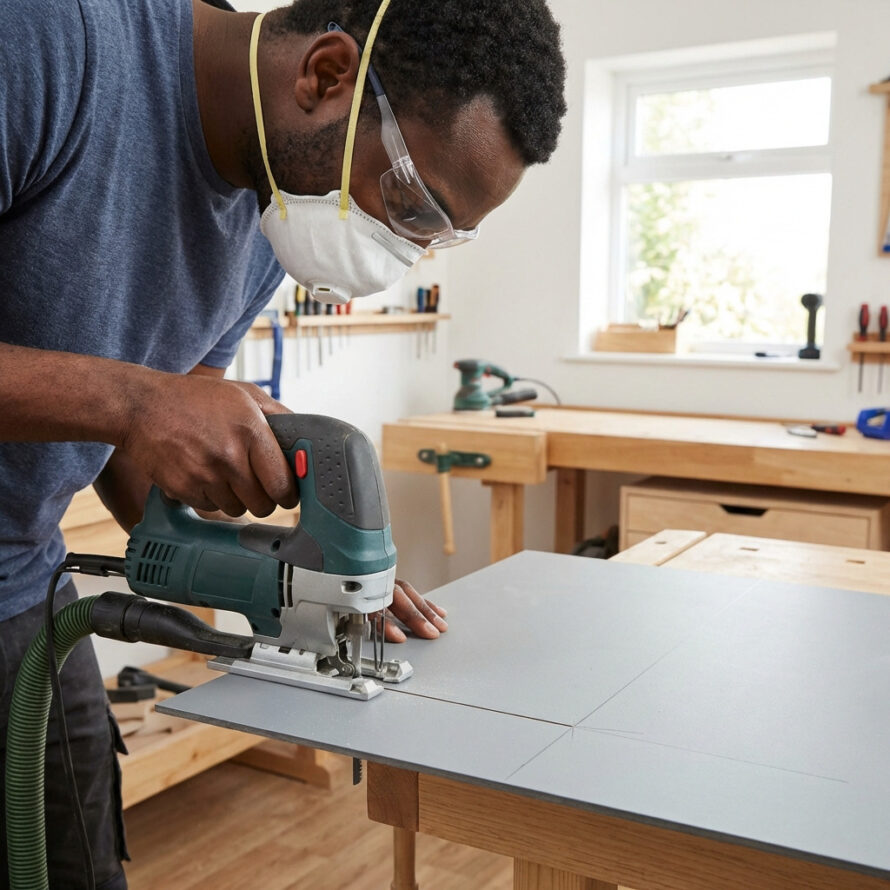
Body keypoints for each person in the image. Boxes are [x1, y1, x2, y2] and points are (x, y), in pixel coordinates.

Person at [0, 0, 567, 885]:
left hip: (18, 584)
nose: (403, 248)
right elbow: (133, 410)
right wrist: (136, 397)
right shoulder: (50, 40)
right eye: (412, 203)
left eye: (437, 235)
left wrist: (311, 574)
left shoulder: (275, 210)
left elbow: (138, 457)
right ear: (328, 75)